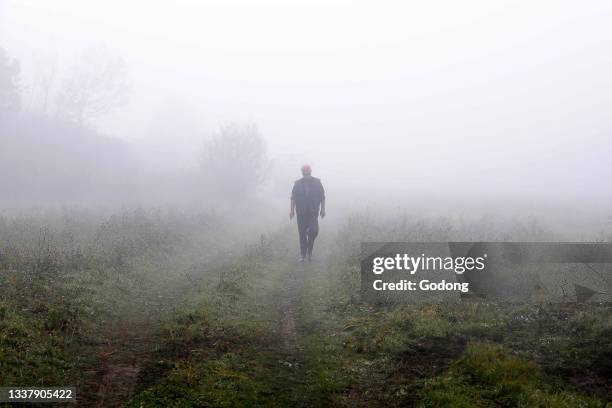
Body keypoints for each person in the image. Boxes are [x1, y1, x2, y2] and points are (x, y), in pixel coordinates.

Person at [290, 164, 325, 261]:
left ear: (310, 172)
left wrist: (323, 209)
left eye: (307, 171)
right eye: (304, 171)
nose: (306, 173)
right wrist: (292, 210)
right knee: (302, 234)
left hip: (313, 212)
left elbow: (322, 197)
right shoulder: (297, 183)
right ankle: (303, 255)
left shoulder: (317, 182)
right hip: (301, 212)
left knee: (313, 231)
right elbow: (293, 198)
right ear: (302, 172)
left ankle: (309, 251)